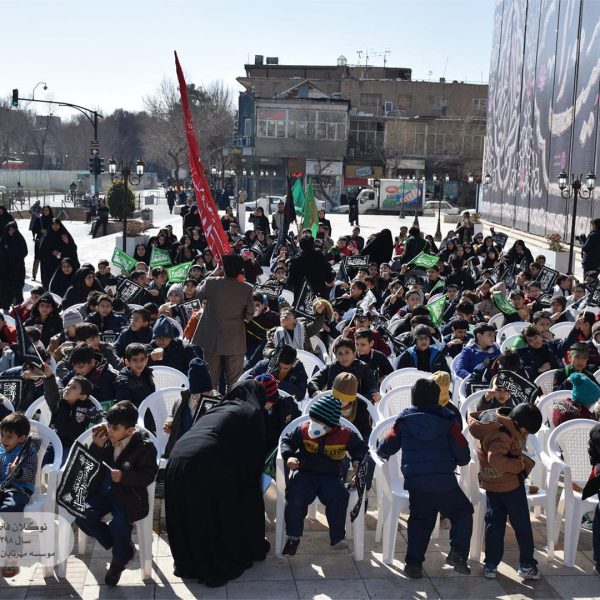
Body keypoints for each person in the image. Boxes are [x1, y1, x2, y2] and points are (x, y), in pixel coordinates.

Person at [165, 380, 270, 587]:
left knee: (189, 511)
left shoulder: (219, 407)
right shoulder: (252, 412)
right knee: (213, 511)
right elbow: (253, 464)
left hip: (177, 459)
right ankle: (211, 561)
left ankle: (189, 561)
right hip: (205, 460)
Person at [377, 378, 473, 578]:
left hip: (416, 482)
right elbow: (463, 453)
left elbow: (388, 444)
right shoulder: (449, 420)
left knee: (420, 520)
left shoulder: (404, 420)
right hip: (444, 482)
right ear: (437, 398)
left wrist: (382, 452)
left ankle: (413, 565)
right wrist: (458, 460)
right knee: (463, 512)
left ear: (413, 399)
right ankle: (457, 553)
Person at [77, 401, 158, 586]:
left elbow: (149, 475)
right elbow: (89, 466)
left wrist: (124, 476)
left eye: (115, 428)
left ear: (129, 430)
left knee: (119, 523)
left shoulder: (144, 446)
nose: (110, 431)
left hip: (127, 497)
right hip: (102, 493)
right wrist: (96, 447)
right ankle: (123, 548)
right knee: (81, 513)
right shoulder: (104, 439)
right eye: (109, 425)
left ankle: (118, 563)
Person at [280, 393, 367, 555]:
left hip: (331, 475)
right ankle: (293, 537)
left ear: (330, 424)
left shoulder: (345, 434)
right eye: (313, 419)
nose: (314, 424)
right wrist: (289, 456)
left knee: (339, 496)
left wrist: (356, 460)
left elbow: (360, 447)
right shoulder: (304, 430)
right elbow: (286, 441)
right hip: (305, 473)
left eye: (318, 421)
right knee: (294, 496)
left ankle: (337, 537)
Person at [468, 403, 543, 580]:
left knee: (494, 525)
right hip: (510, 486)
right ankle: (527, 565)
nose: (525, 435)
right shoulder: (502, 434)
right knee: (522, 526)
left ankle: (490, 565)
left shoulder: (495, 425)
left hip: (492, 484)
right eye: (525, 432)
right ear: (516, 423)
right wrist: (518, 465)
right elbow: (494, 459)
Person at [190, 254, 253, 389]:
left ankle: (210, 402)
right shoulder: (247, 288)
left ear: (223, 268)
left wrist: (213, 273)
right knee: (234, 383)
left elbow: (196, 296)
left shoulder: (211, 282)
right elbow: (249, 315)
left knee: (210, 381)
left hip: (212, 339)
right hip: (235, 340)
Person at [0, 413, 39, 578]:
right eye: (2, 435)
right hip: (2, 488)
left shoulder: (28, 452)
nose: (4, 439)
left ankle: (13, 552)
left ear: (22, 438)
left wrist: (18, 472)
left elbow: (30, 474)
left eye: (9, 436)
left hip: (19, 490)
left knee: (10, 510)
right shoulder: (1, 449)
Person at [41, 361, 100, 462]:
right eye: (68, 385)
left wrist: (96, 416)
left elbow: (99, 417)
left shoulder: (87, 407)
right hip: (54, 442)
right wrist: (49, 377)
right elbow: (51, 393)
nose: (68, 389)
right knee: (42, 459)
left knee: (65, 463)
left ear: (82, 396)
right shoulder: (58, 403)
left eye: (73, 388)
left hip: (73, 446)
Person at [163, 358, 221, 457]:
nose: (205, 395)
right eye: (201, 393)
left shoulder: (218, 401)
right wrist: (170, 422)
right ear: (193, 392)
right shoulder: (182, 401)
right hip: (182, 449)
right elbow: (173, 414)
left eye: (208, 391)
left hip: (207, 451)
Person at [308, 337, 379, 402]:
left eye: (347, 352)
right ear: (336, 356)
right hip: (333, 404)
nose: (344, 357)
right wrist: (315, 391)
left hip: (357, 404)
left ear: (354, 354)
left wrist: (373, 392)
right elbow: (314, 381)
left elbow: (371, 384)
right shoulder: (331, 367)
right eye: (340, 354)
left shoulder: (363, 367)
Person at [287, 235, 335, 299]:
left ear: (300, 245)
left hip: (302, 296)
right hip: (319, 294)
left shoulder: (295, 260)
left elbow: (291, 281)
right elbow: (329, 276)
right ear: (313, 244)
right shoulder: (320, 256)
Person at [38, 218, 79, 289]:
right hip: (50, 265)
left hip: (63, 264)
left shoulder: (65, 235)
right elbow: (42, 251)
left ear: (60, 225)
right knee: (50, 283)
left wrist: (68, 243)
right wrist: (51, 252)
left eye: (57, 224)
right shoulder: (47, 236)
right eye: (53, 224)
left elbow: (73, 248)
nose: (55, 226)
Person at [114, 343, 156, 408]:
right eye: (135, 360)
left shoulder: (147, 373)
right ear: (127, 362)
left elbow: (153, 396)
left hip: (151, 411)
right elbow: (126, 408)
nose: (139, 363)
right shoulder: (123, 381)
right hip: (135, 413)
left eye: (142, 359)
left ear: (146, 360)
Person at [0, 222, 27, 309]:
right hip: (5, 270)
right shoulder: (3, 240)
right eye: (9, 229)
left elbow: (24, 251)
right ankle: (5, 308)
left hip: (17, 269)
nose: (11, 231)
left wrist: (10, 250)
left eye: (13, 229)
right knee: (5, 289)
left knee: (17, 289)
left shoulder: (19, 239)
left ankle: (18, 309)